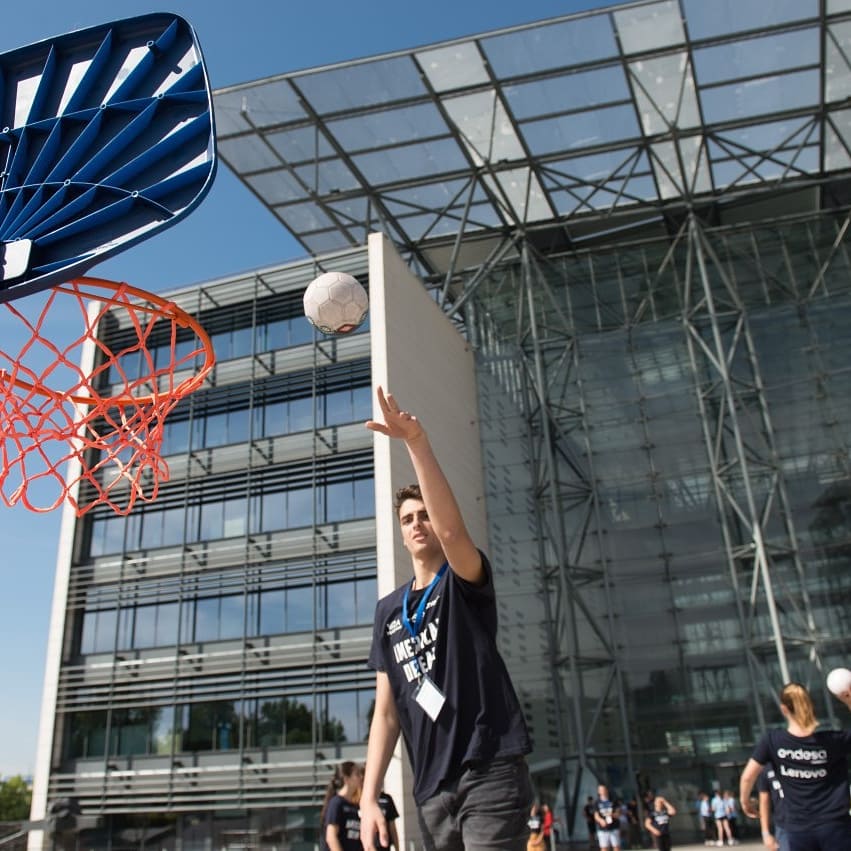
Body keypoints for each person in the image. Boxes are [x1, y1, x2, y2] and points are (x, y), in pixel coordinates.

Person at [359, 387, 533, 851]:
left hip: (489, 768)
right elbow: (386, 713)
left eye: (423, 515)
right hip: (432, 789)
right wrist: (369, 797)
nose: (416, 524)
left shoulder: (463, 580)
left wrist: (415, 441)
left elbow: (453, 530)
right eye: (406, 519)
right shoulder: (388, 610)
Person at [739, 681, 851, 851]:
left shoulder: (773, 741)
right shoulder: (832, 740)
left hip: (799, 829)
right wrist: (848, 700)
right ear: (809, 705)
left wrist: (745, 801)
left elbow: (748, 776)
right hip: (835, 826)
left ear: (784, 709)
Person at [320, 761, 364, 851]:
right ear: (347, 779)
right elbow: (331, 837)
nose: (361, 777)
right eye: (357, 774)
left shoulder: (355, 805)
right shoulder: (337, 803)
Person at [756, 764, 787, 851]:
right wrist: (765, 833)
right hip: (783, 824)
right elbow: (764, 801)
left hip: (812, 820)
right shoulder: (766, 768)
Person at [594, 785, 622, 850]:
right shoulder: (597, 802)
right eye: (601, 790)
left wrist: (611, 814)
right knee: (604, 848)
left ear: (606, 790)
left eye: (604, 790)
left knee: (616, 847)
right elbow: (596, 815)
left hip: (614, 827)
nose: (602, 791)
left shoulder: (613, 800)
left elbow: (618, 813)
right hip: (602, 829)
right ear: (598, 792)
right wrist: (601, 820)